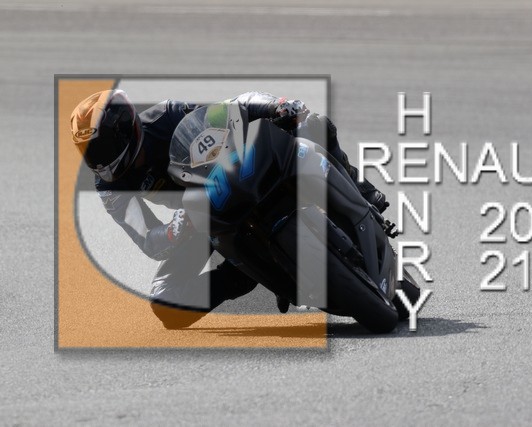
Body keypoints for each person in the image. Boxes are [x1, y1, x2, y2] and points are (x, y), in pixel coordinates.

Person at [70, 89, 387, 329]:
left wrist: (277, 106)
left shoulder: (167, 114)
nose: (98, 160)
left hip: (238, 170)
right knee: (166, 303)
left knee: (314, 124)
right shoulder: (109, 187)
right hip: (200, 220)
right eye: (88, 151)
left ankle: (363, 192)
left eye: (101, 146)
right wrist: (173, 231)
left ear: (125, 128)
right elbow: (147, 240)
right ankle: (241, 274)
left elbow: (231, 107)